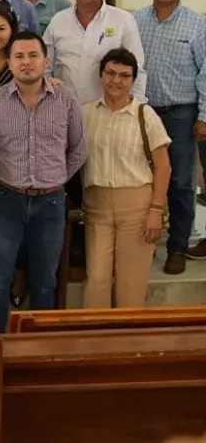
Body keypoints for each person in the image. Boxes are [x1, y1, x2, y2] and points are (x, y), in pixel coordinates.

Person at [0, 32, 87, 333]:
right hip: (5, 201)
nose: (26, 62)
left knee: (45, 280)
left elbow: (79, 148)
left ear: (46, 60)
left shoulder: (66, 100)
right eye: (19, 57)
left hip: (51, 203)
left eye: (33, 56)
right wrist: (3, 179)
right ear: (10, 63)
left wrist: (56, 178)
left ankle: (39, 348)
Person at [82, 48, 171, 308]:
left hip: (137, 206)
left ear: (133, 80)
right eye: (110, 73)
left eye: (124, 75)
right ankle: (96, 344)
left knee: (130, 283)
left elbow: (164, 167)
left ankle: (128, 345)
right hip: (97, 206)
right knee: (96, 279)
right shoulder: (85, 113)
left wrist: (155, 210)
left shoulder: (145, 115)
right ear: (101, 75)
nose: (116, 80)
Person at [134, 0, 206, 273]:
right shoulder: (135, 20)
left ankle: (177, 246)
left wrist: (203, 115)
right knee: (140, 180)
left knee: (180, 182)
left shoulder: (197, 24)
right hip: (142, 113)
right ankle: (143, 245)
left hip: (182, 114)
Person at [44, 0, 145, 105]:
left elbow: (136, 68)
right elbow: (45, 67)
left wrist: (137, 106)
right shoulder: (58, 21)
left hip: (108, 110)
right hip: (64, 108)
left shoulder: (123, 20)